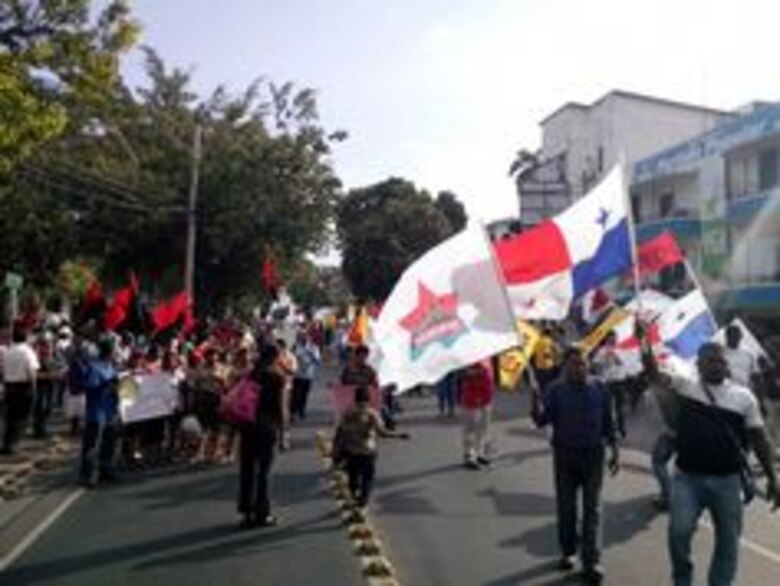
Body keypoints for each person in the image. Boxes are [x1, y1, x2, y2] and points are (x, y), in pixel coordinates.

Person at [641, 333, 780, 586]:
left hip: (728, 482)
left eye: (719, 360)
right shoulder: (686, 387)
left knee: (728, 541)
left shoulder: (743, 397)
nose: (715, 365)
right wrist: (644, 343)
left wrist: (772, 477)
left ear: (726, 365)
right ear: (698, 365)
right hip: (687, 479)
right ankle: (682, 578)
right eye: (708, 361)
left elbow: (760, 439)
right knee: (678, 533)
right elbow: (653, 375)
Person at [530, 347, 619, 585]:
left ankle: (592, 562)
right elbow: (541, 420)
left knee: (593, 511)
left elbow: (609, 422)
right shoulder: (555, 391)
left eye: (582, 364)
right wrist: (534, 402)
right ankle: (568, 551)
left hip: (594, 456)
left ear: (588, 365)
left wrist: (615, 451)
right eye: (573, 364)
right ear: (564, 366)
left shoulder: (600, 388)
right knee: (567, 508)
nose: (578, 368)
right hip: (565, 457)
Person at [335, 385, 409, 508]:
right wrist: (399, 435)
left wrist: (336, 451)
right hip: (368, 451)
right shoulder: (372, 413)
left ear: (355, 399)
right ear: (368, 399)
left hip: (351, 451)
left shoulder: (347, 412)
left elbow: (341, 432)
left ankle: (354, 495)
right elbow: (383, 432)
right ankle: (363, 500)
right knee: (367, 479)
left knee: (352, 477)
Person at [237, 343, 285, 529]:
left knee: (247, 470)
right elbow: (281, 407)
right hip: (267, 426)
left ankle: (247, 513)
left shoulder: (251, 373)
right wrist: (284, 433)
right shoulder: (276, 376)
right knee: (264, 472)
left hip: (247, 424)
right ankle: (263, 514)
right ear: (275, 356)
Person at [80, 338, 120, 487]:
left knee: (109, 442)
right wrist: (106, 385)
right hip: (96, 411)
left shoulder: (112, 367)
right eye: (114, 350)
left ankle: (106, 469)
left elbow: (117, 387)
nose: (115, 353)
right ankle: (88, 474)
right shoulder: (94, 367)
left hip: (110, 410)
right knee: (92, 444)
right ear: (108, 352)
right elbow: (89, 387)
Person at [1, 325, 39, 454]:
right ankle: (14, 444)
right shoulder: (28, 352)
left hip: (9, 385)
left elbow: (2, 369)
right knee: (21, 417)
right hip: (23, 387)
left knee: (10, 416)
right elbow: (31, 372)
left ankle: (7, 442)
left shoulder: (7, 351)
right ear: (25, 338)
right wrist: (34, 388)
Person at [459, 361, 495, 469]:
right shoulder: (469, 356)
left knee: (483, 428)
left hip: (486, 398)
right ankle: (469, 456)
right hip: (471, 398)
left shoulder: (487, 355)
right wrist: (475, 371)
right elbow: (464, 375)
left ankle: (479, 453)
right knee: (470, 428)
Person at [291, 331, 321, 421]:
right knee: (296, 394)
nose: (302, 338)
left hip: (308, 375)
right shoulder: (295, 346)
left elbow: (317, 361)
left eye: (304, 336)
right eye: (300, 336)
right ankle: (294, 411)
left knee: (304, 394)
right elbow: (292, 357)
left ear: (308, 337)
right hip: (297, 374)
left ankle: (301, 410)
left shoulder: (314, 347)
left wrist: (310, 353)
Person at [722, 324, 758, 390]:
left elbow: (755, 374)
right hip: (727, 391)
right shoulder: (720, 354)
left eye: (737, 335)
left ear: (741, 336)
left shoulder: (749, 353)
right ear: (727, 336)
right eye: (732, 335)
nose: (735, 338)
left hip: (746, 389)